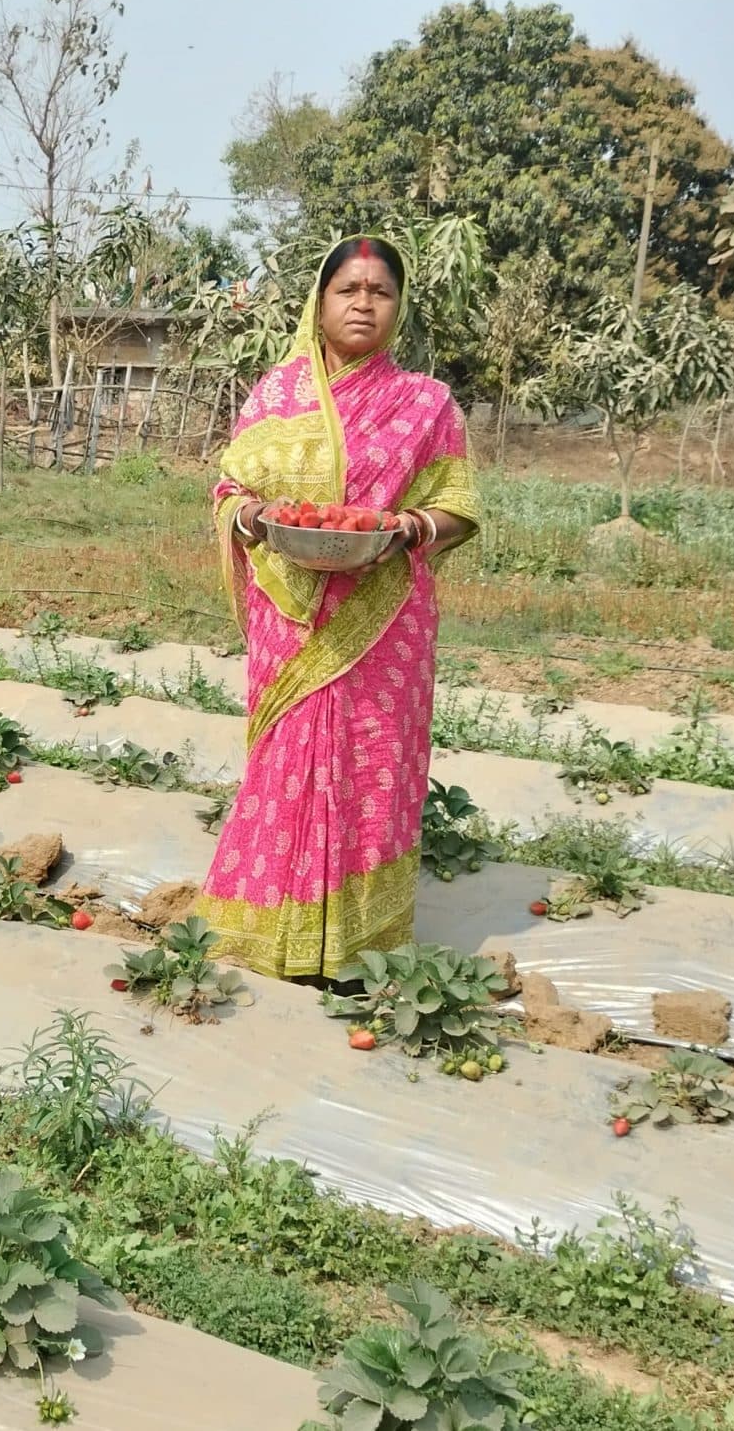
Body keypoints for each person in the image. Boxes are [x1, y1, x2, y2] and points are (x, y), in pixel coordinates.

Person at [196, 235, 480, 983]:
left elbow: (456, 506)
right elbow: (230, 490)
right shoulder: (274, 394)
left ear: (399, 307)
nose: (363, 304)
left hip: (383, 620)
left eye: (379, 292)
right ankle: (271, 931)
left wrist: (407, 528)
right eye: (348, 290)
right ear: (318, 303)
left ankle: (357, 948)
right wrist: (256, 518)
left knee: (370, 765)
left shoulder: (426, 403)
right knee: (287, 761)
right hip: (289, 615)